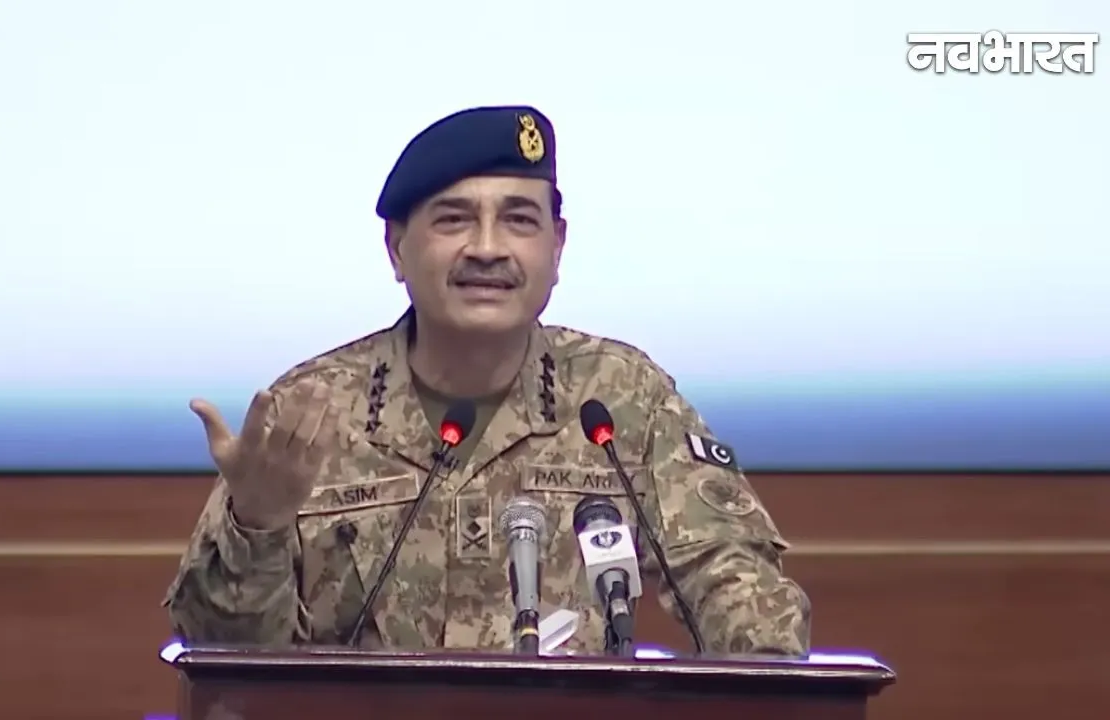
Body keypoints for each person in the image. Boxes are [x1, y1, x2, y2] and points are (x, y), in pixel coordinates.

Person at [163, 105, 810, 655]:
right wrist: (257, 525)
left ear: (556, 247)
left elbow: (736, 585)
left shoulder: (622, 398)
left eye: (519, 220)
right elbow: (223, 656)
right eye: (453, 219)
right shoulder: (311, 410)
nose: (488, 248)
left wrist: (767, 685)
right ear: (396, 249)